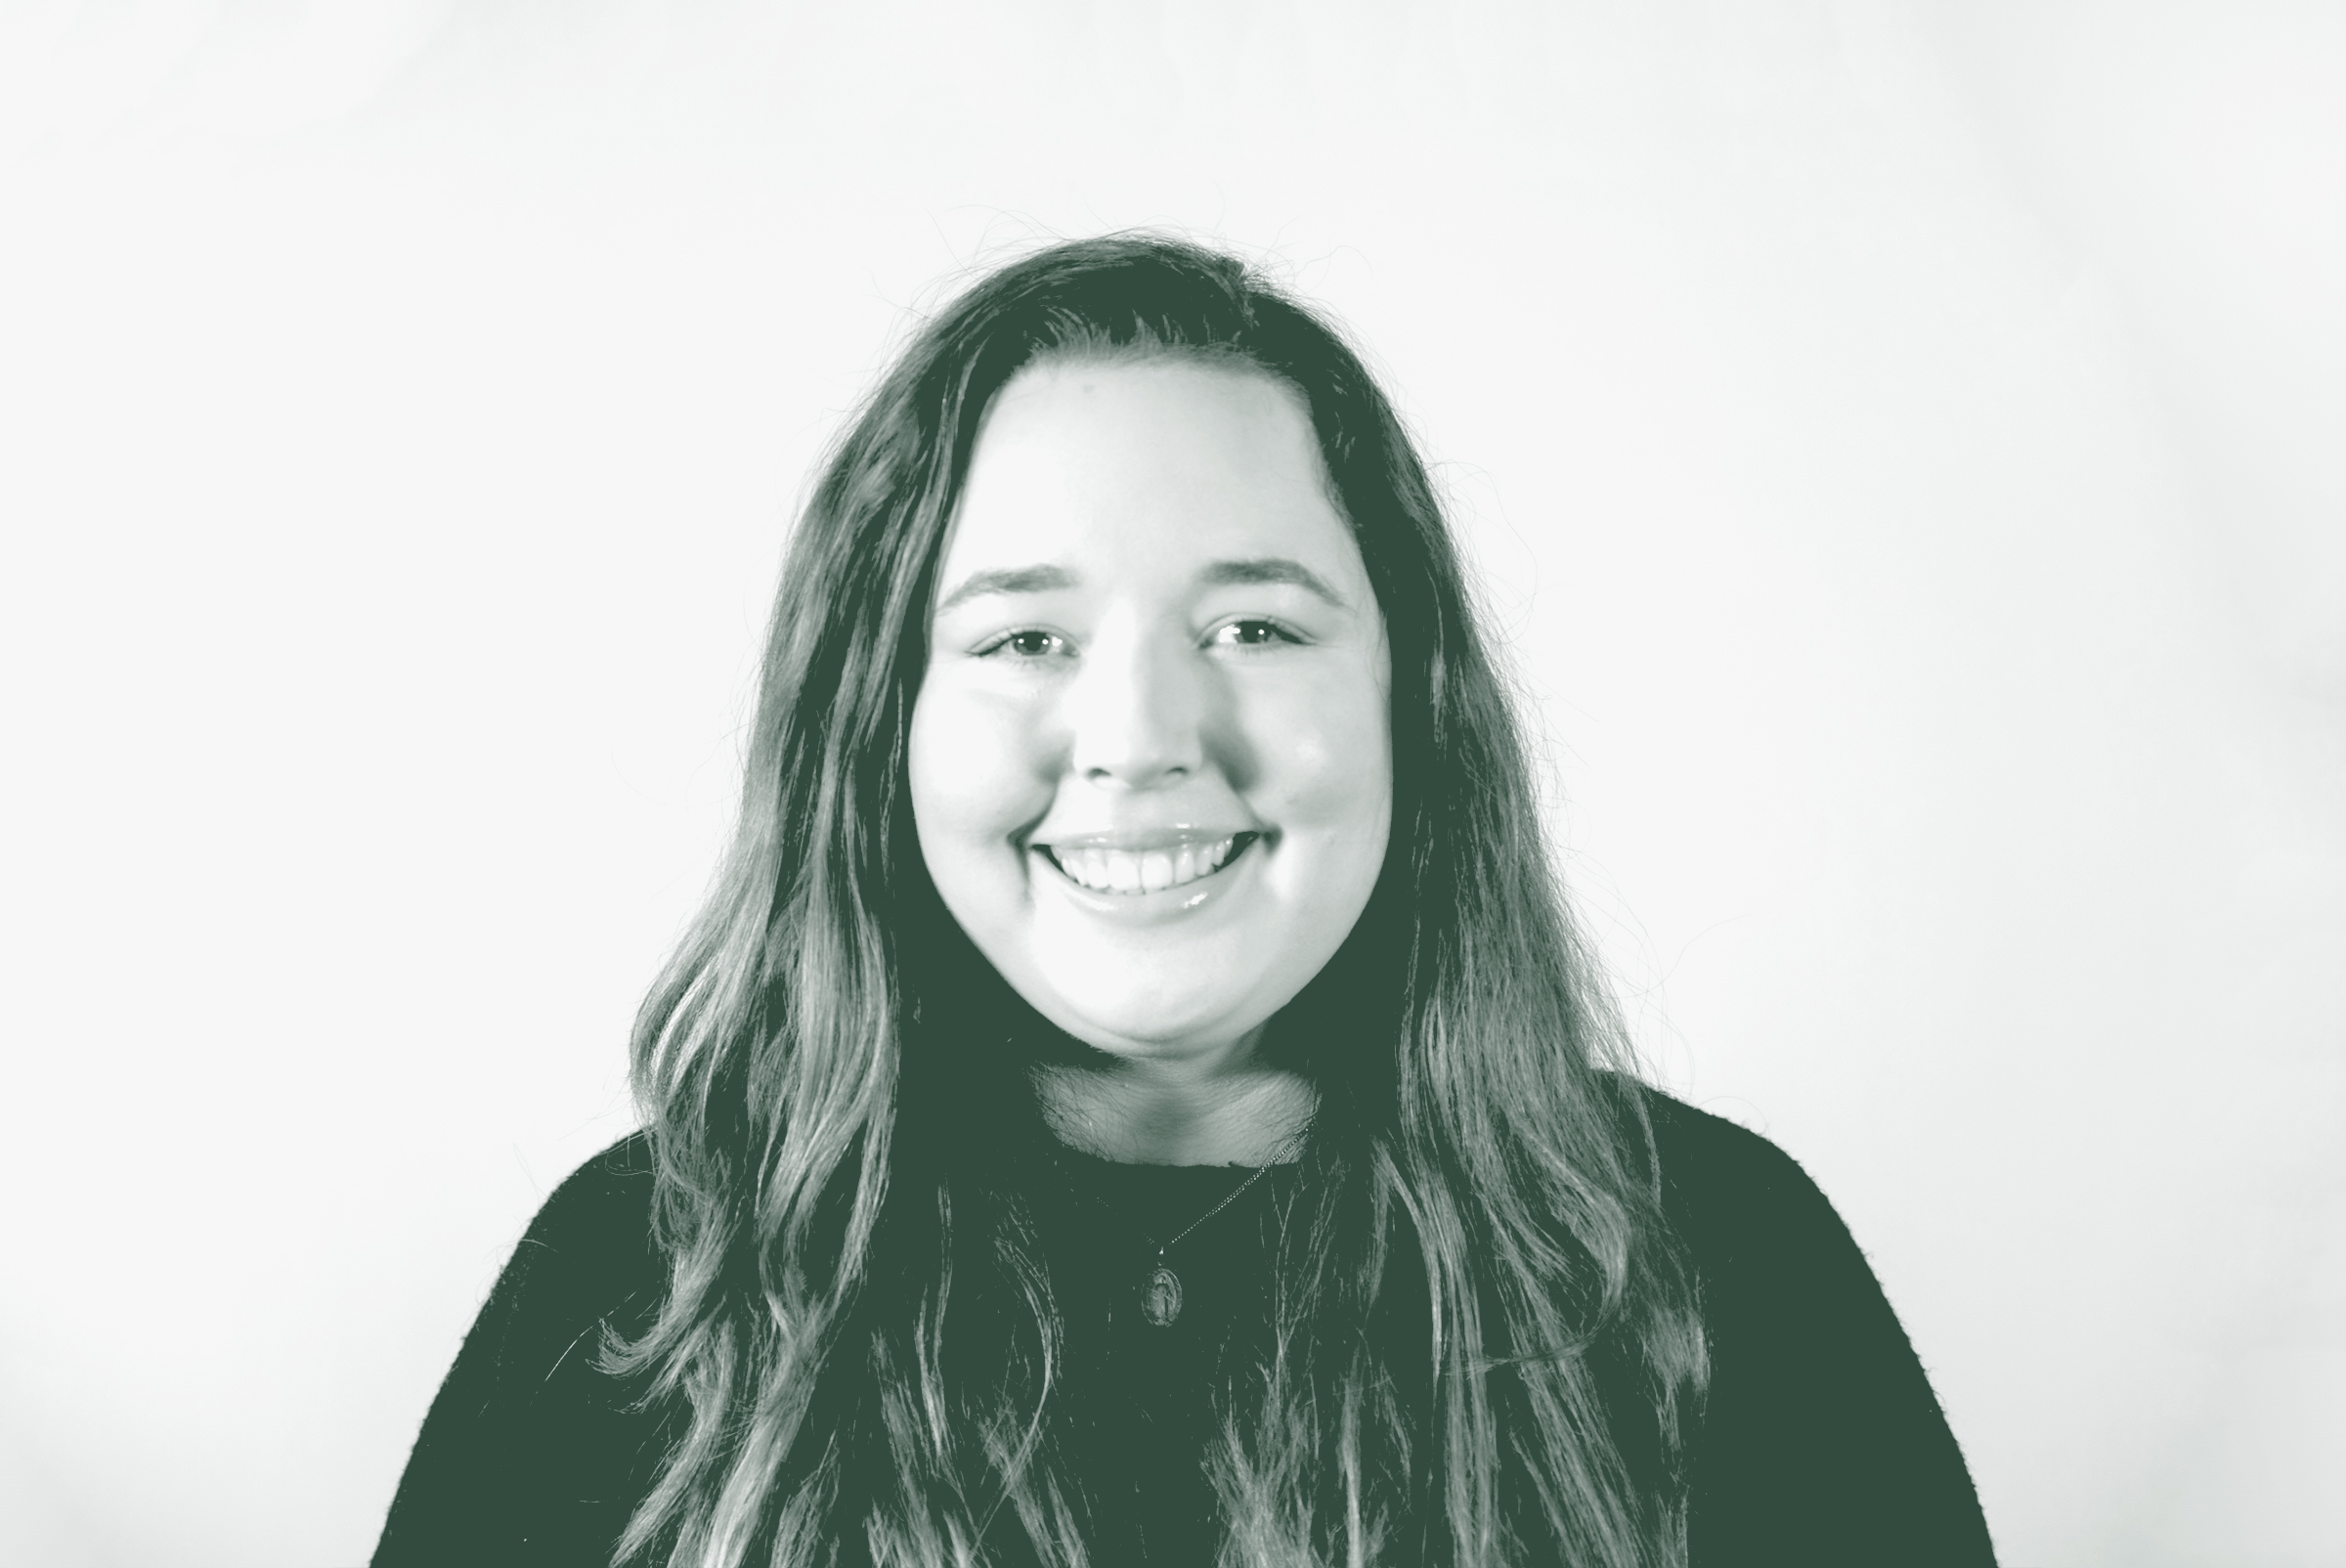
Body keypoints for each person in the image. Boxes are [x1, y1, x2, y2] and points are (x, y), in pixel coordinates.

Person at [372, 235, 1997, 1568]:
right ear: (878, 725)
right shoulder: (643, 1282)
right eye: (1026, 639)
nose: (1144, 740)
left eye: (1256, 630)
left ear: (1407, 701)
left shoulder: (1720, 1261)